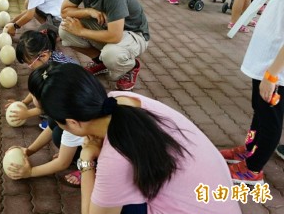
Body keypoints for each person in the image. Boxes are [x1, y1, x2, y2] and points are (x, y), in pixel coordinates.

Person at [26, 62, 242, 214]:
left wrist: (86, 162)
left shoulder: (115, 157)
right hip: (218, 198)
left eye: (59, 123)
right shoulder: (117, 100)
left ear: (73, 122)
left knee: (120, 202)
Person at [219, 0, 284, 186]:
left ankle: (253, 169)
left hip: (276, 68)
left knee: (269, 118)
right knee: (258, 109)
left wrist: (273, 74)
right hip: (265, 59)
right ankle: (250, 148)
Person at [59, 0, 149, 91]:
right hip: (109, 29)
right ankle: (100, 62)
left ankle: (130, 66)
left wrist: (81, 31)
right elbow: (64, 11)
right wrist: (88, 11)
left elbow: (115, 35)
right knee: (65, 28)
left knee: (111, 55)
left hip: (134, 34)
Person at [5, 31, 85, 185]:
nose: (29, 67)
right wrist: (28, 151)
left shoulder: (71, 116)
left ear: (43, 55)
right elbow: (51, 124)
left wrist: (30, 172)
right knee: (56, 133)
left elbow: (61, 164)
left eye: (29, 63)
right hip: (84, 108)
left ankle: (91, 167)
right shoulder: (50, 74)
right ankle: (76, 154)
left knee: (62, 138)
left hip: (112, 148)